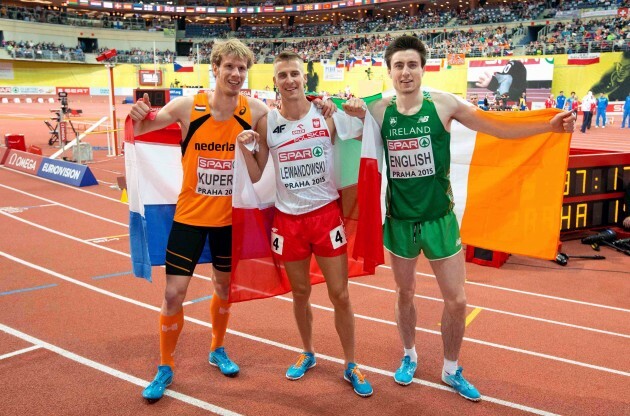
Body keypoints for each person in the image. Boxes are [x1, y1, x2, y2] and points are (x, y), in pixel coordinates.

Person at [366, 35, 575, 402]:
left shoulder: (445, 104)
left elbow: (496, 126)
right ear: (389, 71)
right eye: (398, 65)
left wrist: (548, 127)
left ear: (423, 68)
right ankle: (409, 355)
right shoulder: (379, 110)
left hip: (439, 220)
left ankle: (450, 368)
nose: (405, 72)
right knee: (404, 293)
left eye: (412, 64)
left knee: (458, 300)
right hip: (399, 221)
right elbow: (336, 117)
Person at [128, 38, 270, 403]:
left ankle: (217, 348)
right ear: (216, 67)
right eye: (230, 67)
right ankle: (164, 365)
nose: (236, 74)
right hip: (189, 217)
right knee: (173, 293)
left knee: (223, 289)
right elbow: (141, 129)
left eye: (242, 69)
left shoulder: (254, 110)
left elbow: (278, 144)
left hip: (229, 221)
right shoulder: (189, 106)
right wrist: (137, 114)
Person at [235, 51, 374, 397]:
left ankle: (351, 363)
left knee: (340, 294)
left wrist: (358, 109)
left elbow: (367, 136)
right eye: (282, 75)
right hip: (288, 222)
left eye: (294, 74)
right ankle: (308, 352)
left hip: (326, 216)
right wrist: (245, 149)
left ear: (303, 78)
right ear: (276, 82)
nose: (290, 80)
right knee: (300, 292)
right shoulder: (267, 123)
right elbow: (256, 175)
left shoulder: (326, 115)